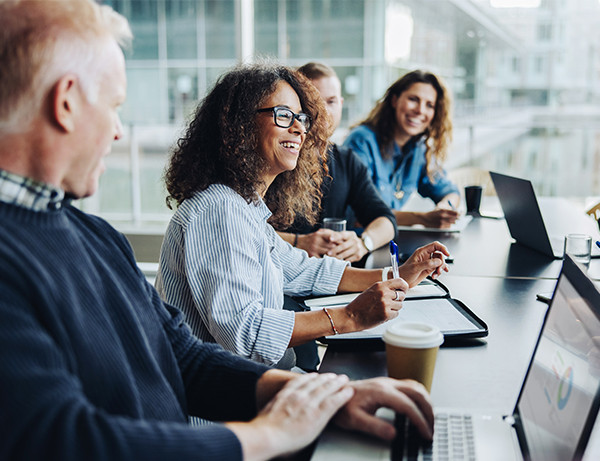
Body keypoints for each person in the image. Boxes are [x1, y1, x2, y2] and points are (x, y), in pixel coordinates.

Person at [0, 1, 436, 459]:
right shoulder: (18, 257)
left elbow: (180, 354)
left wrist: (315, 397)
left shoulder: (94, 236)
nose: (118, 133)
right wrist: (271, 434)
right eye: (114, 107)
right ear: (66, 101)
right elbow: (61, 440)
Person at [155, 63, 450, 369]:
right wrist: (351, 316)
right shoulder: (219, 210)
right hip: (222, 408)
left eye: (301, 118)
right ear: (238, 125)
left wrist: (398, 275)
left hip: (254, 386)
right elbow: (246, 334)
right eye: (283, 115)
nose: (299, 128)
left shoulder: (244, 206)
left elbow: (304, 271)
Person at [275, 62, 396, 263]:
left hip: (333, 281)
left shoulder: (346, 160)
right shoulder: (277, 157)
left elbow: (386, 220)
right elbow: (246, 228)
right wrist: (298, 242)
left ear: (340, 104)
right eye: (312, 103)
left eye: (330, 102)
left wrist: (363, 243)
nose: (322, 111)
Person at [343, 70, 461, 229]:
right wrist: (422, 219)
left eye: (429, 105)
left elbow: (449, 191)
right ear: (394, 100)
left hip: (389, 241)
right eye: (413, 99)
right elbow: (359, 216)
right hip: (357, 243)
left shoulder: (419, 149)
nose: (420, 110)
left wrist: (445, 208)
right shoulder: (362, 141)